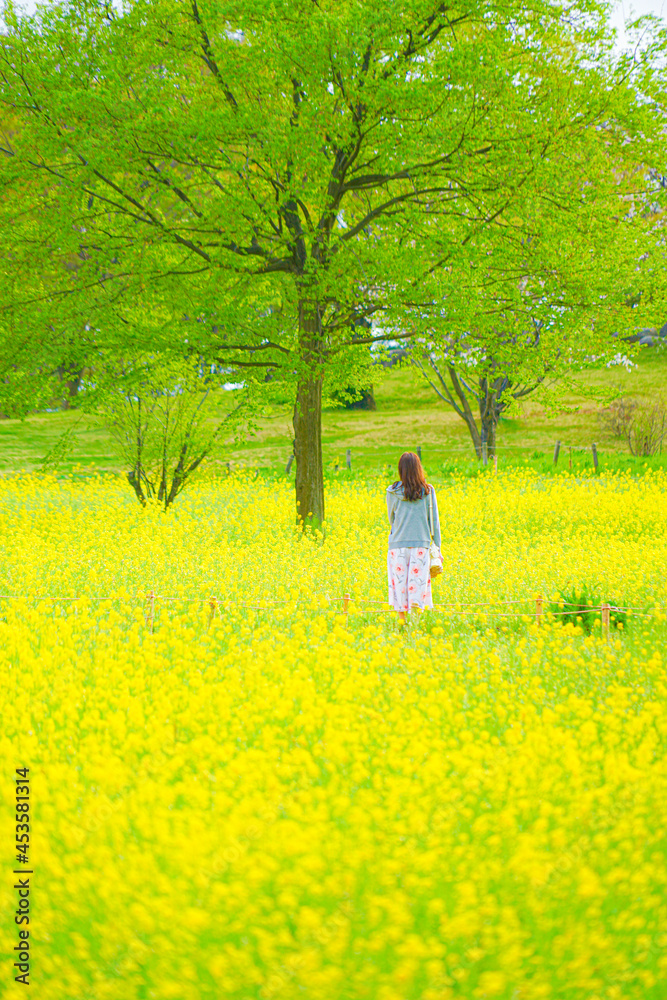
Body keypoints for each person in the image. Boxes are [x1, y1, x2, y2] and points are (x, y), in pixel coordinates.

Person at [386, 451, 441, 624]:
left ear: (401, 469)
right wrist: (437, 548)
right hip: (420, 546)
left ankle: (402, 623)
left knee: (400, 587)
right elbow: (435, 522)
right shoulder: (428, 491)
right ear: (418, 469)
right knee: (417, 587)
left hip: (397, 547)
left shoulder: (392, 492)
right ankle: (415, 626)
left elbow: (391, 519)